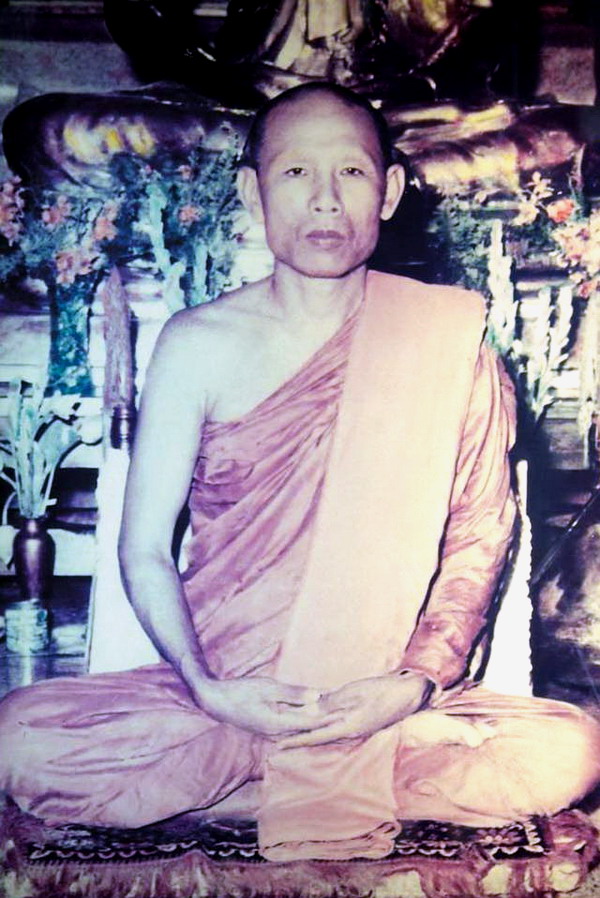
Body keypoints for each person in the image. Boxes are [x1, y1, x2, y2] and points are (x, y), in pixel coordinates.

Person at [1, 83, 599, 861]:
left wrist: (413, 683)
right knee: (17, 738)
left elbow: (478, 537)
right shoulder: (197, 344)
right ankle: (314, 785)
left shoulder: (444, 338)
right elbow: (144, 548)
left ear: (389, 192)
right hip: (225, 693)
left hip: (381, 699)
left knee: (573, 749)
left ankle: (245, 792)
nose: (324, 199)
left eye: (351, 172)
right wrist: (208, 687)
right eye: (295, 173)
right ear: (253, 193)